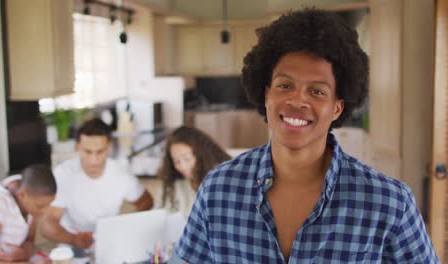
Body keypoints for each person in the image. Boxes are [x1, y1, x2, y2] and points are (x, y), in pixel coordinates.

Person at [174, 9, 439, 263]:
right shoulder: (218, 189)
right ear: (267, 94)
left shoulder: (389, 203)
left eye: (317, 91)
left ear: (337, 107)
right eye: (285, 85)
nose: (297, 100)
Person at [40, 118, 153, 254]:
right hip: (72, 242)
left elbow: (146, 201)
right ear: (78, 147)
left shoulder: (121, 174)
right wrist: (74, 239)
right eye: (87, 152)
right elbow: (47, 224)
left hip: (110, 242)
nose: (94, 160)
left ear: (109, 148)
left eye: (100, 152)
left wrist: (125, 226)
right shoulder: (63, 174)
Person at [0, 164, 56, 263]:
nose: (45, 211)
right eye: (40, 206)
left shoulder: (29, 192)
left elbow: (29, 240)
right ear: (22, 194)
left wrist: (25, 252)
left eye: (49, 204)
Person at [157, 126, 231, 218]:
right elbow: (159, 215)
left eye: (187, 159)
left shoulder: (222, 179)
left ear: (201, 155)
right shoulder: (174, 183)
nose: (183, 167)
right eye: (176, 161)